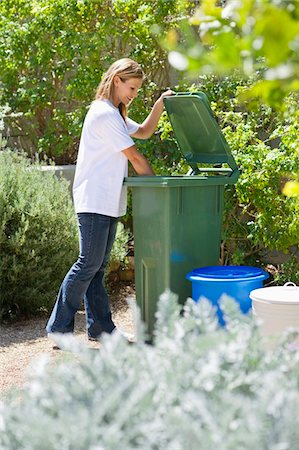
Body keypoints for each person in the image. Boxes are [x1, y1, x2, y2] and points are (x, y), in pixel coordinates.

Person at [46, 58, 173, 343]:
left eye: (138, 90)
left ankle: (101, 328)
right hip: (94, 200)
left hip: (107, 201)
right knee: (87, 264)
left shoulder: (115, 115)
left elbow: (144, 132)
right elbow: (135, 156)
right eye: (131, 87)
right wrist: (155, 188)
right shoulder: (103, 114)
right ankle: (59, 329)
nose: (134, 93)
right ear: (116, 80)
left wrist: (160, 105)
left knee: (96, 267)